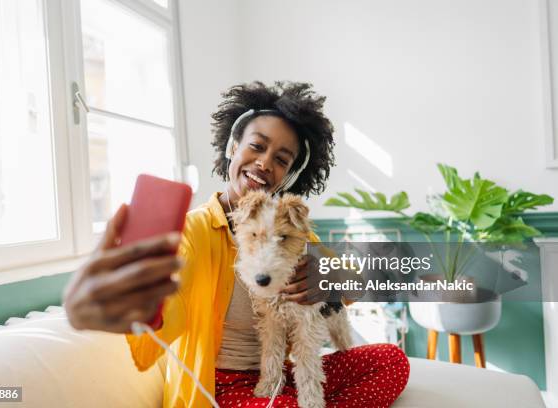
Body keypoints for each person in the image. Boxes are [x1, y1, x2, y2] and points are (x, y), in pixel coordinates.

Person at [64, 81, 410, 407]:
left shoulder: (293, 229)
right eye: (257, 146)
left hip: (281, 376)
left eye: (281, 159)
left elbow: (354, 287)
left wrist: (331, 277)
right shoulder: (194, 231)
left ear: (290, 175)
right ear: (233, 146)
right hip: (222, 384)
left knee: (392, 361)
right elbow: (167, 312)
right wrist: (125, 305)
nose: (264, 163)